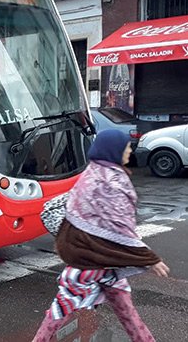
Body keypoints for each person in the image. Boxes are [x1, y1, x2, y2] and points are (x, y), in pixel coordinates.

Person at [33, 129, 170, 342]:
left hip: (90, 255)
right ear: (112, 150)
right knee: (63, 307)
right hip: (94, 258)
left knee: (118, 309)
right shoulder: (112, 182)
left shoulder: (92, 173)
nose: (129, 150)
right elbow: (121, 229)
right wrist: (150, 259)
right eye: (126, 146)